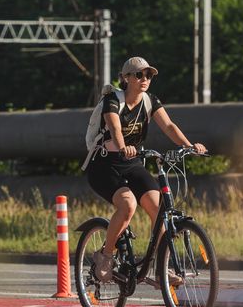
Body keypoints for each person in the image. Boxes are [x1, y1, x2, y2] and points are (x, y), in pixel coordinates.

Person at [85, 56, 207, 284]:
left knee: (158, 208)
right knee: (128, 205)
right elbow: (114, 127)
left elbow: (169, 126)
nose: (145, 79)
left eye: (149, 75)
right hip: (103, 164)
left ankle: (160, 269)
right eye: (139, 74)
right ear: (125, 78)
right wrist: (123, 148)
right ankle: (105, 256)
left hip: (131, 162)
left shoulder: (150, 101)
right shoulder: (112, 100)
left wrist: (188, 146)